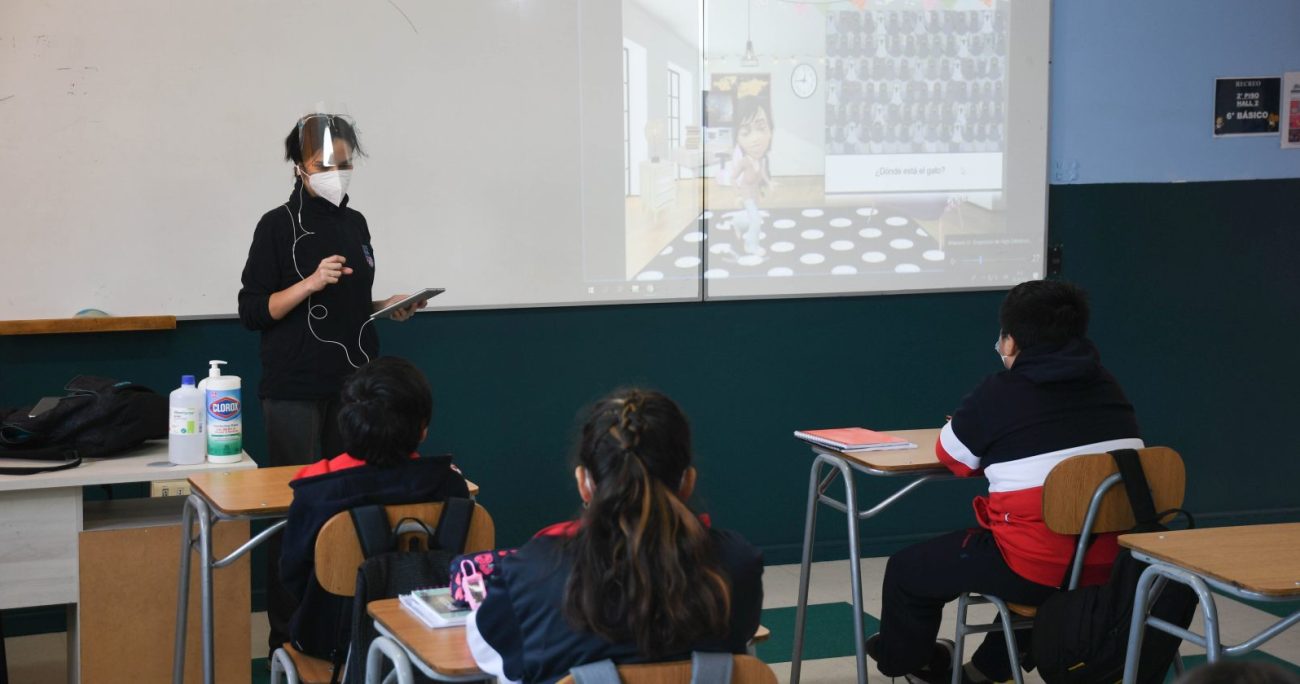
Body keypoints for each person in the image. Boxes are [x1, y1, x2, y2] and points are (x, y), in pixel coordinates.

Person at [868, 280, 1144, 684]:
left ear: (1011, 340)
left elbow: (954, 457)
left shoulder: (1000, 391)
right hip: (1116, 562)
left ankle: (912, 662)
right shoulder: (1108, 385)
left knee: (908, 569)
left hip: (1040, 566)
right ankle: (987, 670)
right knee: (1042, 566)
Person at [237, 113, 425, 655]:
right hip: (294, 388)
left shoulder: (356, 222)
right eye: (324, 165)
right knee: (293, 512)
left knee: (359, 505)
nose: (335, 174)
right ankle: (287, 639)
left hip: (358, 388)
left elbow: (344, 308)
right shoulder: (275, 226)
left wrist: (385, 307)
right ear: (299, 167)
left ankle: (352, 630)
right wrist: (311, 281)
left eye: (344, 164)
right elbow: (254, 310)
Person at [466, 389, 763, 683]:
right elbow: (742, 639)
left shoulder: (532, 571)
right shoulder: (737, 565)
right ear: (687, 481)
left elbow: (489, 654)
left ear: (584, 483)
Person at [278, 356, 469, 661]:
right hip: (429, 636)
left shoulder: (316, 491)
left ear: (347, 424)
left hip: (334, 642)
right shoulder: (451, 486)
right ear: (423, 429)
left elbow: (293, 575)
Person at [716, 97, 773, 257]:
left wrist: (769, 183)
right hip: (746, 195)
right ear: (738, 138)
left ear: (770, 131)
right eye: (746, 133)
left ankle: (736, 224)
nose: (755, 139)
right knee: (756, 220)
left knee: (751, 217)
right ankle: (751, 245)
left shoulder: (760, 159)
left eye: (761, 129)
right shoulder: (744, 161)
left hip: (754, 195)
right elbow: (734, 178)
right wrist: (738, 194)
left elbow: (761, 173)